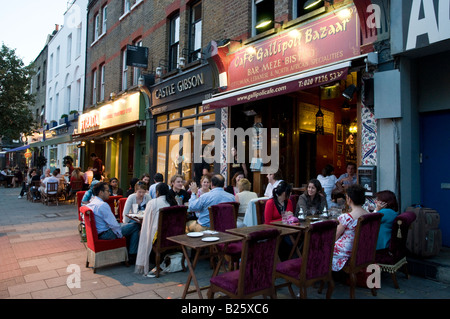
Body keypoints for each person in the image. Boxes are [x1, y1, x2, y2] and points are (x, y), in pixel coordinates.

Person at [86, 182, 141, 264]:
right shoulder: (102, 205)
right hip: (106, 234)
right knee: (136, 226)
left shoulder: (91, 203)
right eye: (107, 191)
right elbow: (114, 224)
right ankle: (132, 255)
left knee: (130, 225)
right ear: (101, 192)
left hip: (99, 232)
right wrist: (120, 235)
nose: (110, 193)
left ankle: (130, 253)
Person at [135, 183, 178, 276]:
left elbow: (146, 223)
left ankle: (148, 261)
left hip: (159, 237)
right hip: (172, 235)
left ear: (157, 192)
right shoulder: (173, 202)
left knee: (143, 233)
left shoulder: (153, 202)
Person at [332, 184, 368, 271]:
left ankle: (317, 273)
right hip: (361, 248)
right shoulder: (368, 215)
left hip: (345, 250)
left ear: (349, 199)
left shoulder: (347, 217)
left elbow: (335, 236)